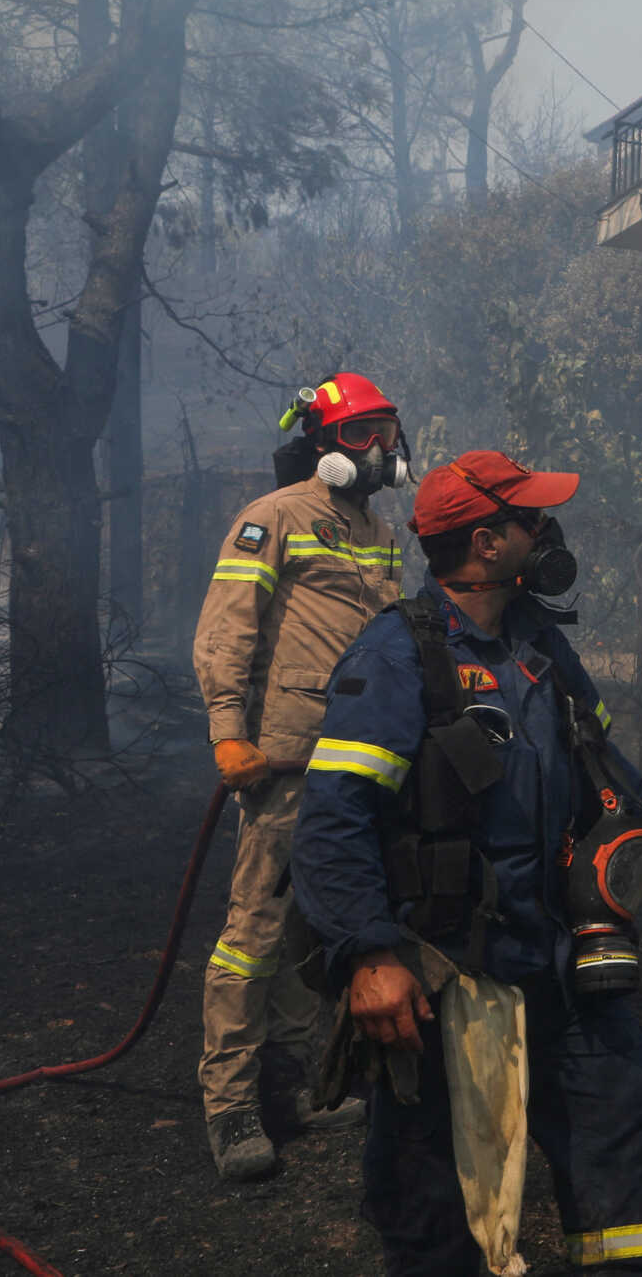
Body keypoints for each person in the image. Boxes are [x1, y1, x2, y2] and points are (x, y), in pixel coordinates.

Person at [293, 450, 642, 1276]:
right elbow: (331, 820)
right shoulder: (397, 658)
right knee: (440, 1207)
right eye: (530, 518)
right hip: (448, 979)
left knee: (628, 1127)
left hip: (559, 960)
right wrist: (368, 953)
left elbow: (599, 761)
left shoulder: (538, 644)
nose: (547, 532)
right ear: (489, 545)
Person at [192, 371, 410, 1182]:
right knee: (254, 934)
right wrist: (227, 731)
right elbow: (226, 631)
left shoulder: (379, 532)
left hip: (356, 759)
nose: (380, 450)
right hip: (283, 759)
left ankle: (295, 1088)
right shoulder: (272, 518)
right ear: (321, 445)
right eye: (362, 435)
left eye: (387, 432)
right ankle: (232, 1106)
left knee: (314, 929)